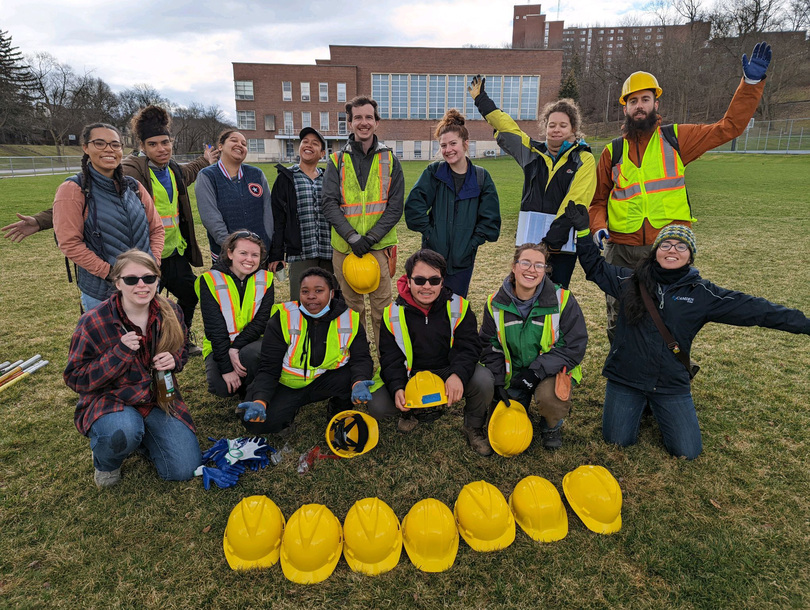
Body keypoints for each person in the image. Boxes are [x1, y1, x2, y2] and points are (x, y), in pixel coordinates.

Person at [564, 202, 810, 459]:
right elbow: (595, 267)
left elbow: (756, 310)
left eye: (681, 246)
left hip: (670, 382)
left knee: (687, 451)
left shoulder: (702, 293)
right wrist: (583, 232)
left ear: (690, 256)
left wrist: (804, 324)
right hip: (626, 377)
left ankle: (655, 405)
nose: (673, 250)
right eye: (666, 245)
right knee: (617, 441)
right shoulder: (629, 281)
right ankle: (640, 403)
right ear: (655, 251)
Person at [589, 42, 772, 341]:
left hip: (666, 249)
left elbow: (730, 127)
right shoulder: (612, 151)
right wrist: (598, 228)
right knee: (619, 316)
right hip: (620, 250)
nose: (639, 106)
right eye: (633, 101)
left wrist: (750, 84)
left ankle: (666, 373)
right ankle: (622, 373)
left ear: (655, 104)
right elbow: (598, 202)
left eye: (645, 99)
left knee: (666, 317)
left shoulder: (676, 139)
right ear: (625, 107)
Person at [64, 249, 201, 487]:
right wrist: (119, 354)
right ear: (117, 282)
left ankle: (141, 436)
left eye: (149, 278)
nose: (141, 285)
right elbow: (76, 378)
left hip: (157, 399)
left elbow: (180, 348)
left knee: (184, 469)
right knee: (122, 431)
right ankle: (107, 461)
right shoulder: (93, 320)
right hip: (111, 400)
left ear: (158, 280)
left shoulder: (171, 311)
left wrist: (174, 360)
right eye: (131, 279)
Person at [468, 76, 595, 288]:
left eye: (563, 125)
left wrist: (548, 244)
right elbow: (509, 128)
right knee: (524, 291)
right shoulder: (533, 152)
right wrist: (482, 101)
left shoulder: (584, 159)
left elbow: (576, 201)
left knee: (554, 295)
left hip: (560, 245)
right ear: (545, 127)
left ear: (574, 129)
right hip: (529, 242)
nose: (556, 129)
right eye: (551, 124)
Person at [367, 249, 493, 456]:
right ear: (408, 281)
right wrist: (398, 387)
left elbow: (469, 347)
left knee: (483, 380)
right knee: (377, 405)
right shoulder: (392, 313)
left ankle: (473, 426)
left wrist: (457, 375)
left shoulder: (459, 307)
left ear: (442, 281)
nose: (427, 286)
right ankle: (412, 412)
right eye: (419, 280)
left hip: (447, 371)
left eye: (434, 280)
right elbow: (390, 358)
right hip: (411, 375)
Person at [122, 105, 217, 352]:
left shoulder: (171, 168)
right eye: (153, 144)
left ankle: (180, 340)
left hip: (174, 252)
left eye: (165, 142)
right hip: (146, 255)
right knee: (144, 305)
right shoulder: (131, 171)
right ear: (142, 146)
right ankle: (146, 348)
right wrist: (40, 221)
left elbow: (188, 173)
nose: (161, 149)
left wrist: (205, 161)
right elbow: (88, 191)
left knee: (190, 295)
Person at [235, 268, 373, 435]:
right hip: (286, 384)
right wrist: (260, 400)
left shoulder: (349, 319)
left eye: (319, 291)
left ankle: (339, 409)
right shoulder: (283, 318)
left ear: (331, 293)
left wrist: (359, 382)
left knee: (356, 376)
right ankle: (286, 410)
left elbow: (361, 358)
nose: (311, 296)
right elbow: (268, 367)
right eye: (305, 291)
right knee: (255, 424)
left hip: (325, 379)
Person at [479, 242, 588, 450]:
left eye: (539, 265)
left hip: (549, 372)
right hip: (514, 374)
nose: (531, 270)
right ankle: (519, 402)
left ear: (545, 270)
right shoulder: (494, 303)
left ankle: (551, 426)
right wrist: (500, 381)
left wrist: (535, 373)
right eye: (526, 263)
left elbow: (574, 346)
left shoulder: (563, 300)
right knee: (502, 414)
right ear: (514, 266)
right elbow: (488, 346)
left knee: (551, 397)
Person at [53, 122, 164, 312]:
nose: (108, 150)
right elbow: (69, 243)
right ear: (86, 148)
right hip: (103, 294)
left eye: (115, 144)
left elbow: (156, 229)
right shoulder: (73, 189)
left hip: (144, 287)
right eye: (100, 143)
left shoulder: (134, 187)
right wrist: (111, 273)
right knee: (111, 342)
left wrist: (152, 263)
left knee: (149, 339)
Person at [321, 95, 405, 347]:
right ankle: (356, 363)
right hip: (345, 249)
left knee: (382, 310)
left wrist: (370, 238)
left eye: (369, 117)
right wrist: (352, 237)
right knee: (351, 310)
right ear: (349, 123)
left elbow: (395, 207)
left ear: (377, 122)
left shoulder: (390, 160)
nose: (363, 122)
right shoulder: (336, 160)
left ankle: (386, 362)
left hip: (378, 248)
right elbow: (329, 203)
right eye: (357, 117)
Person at [404, 109, 501, 297]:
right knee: (429, 311)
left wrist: (471, 244)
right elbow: (413, 206)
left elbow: (491, 220)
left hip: (462, 263)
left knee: (455, 311)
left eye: (453, 143)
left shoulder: (481, 177)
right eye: (443, 145)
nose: (448, 150)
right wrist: (430, 233)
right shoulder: (434, 173)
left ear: (465, 144)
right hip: (431, 260)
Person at [196, 230, 274, 399]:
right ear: (230, 253)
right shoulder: (210, 280)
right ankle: (241, 383)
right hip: (220, 345)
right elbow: (215, 329)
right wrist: (226, 368)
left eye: (255, 255)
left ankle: (251, 389)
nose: (249, 259)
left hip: (253, 342)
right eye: (243, 253)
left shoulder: (266, 279)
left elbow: (262, 321)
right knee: (222, 387)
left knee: (252, 355)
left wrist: (236, 347)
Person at [268, 127, 332, 301]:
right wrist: (277, 253)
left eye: (315, 143)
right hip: (301, 252)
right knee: (302, 300)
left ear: (322, 153)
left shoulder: (329, 178)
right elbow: (278, 218)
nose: (308, 145)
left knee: (329, 300)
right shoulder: (286, 177)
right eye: (305, 142)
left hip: (329, 251)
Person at [195, 129, 273, 263]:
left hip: (258, 254)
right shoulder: (207, 176)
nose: (240, 145)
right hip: (227, 254)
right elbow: (210, 217)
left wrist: (267, 241)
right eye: (234, 140)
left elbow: (268, 212)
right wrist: (231, 247)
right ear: (220, 146)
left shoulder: (257, 174)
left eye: (244, 144)